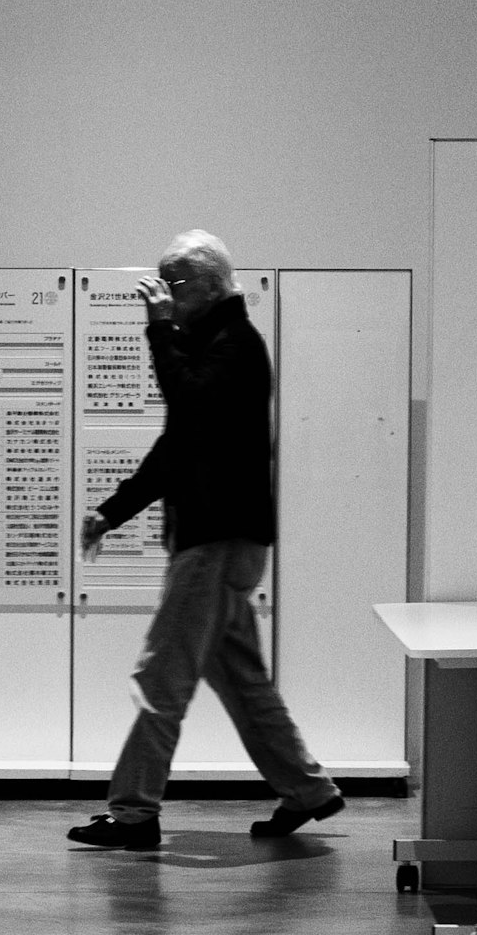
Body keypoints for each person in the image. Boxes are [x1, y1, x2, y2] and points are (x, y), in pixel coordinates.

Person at [66, 232, 347, 851]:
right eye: (162, 281)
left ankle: (134, 812)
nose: (164, 293)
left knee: (161, 676)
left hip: (217, 545)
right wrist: (112, 512)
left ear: (217, 287)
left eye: (178, 283)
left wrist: (158, 330)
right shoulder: (212, 347)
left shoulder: (235, 347)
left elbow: (187, 409)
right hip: (220, 543)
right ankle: (308, 789)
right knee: (242, 679)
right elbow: (177, 448)